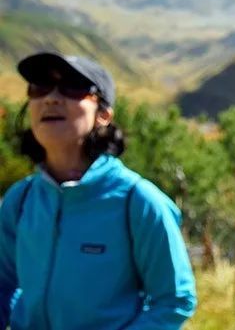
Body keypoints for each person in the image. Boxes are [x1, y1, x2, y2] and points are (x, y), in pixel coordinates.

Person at [0, 52, 197, 330]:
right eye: (40, 87)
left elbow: (175, 300)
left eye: (72, 87)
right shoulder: (20, 200)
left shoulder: (138, 202)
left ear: (103, 115)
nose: (52, 98)